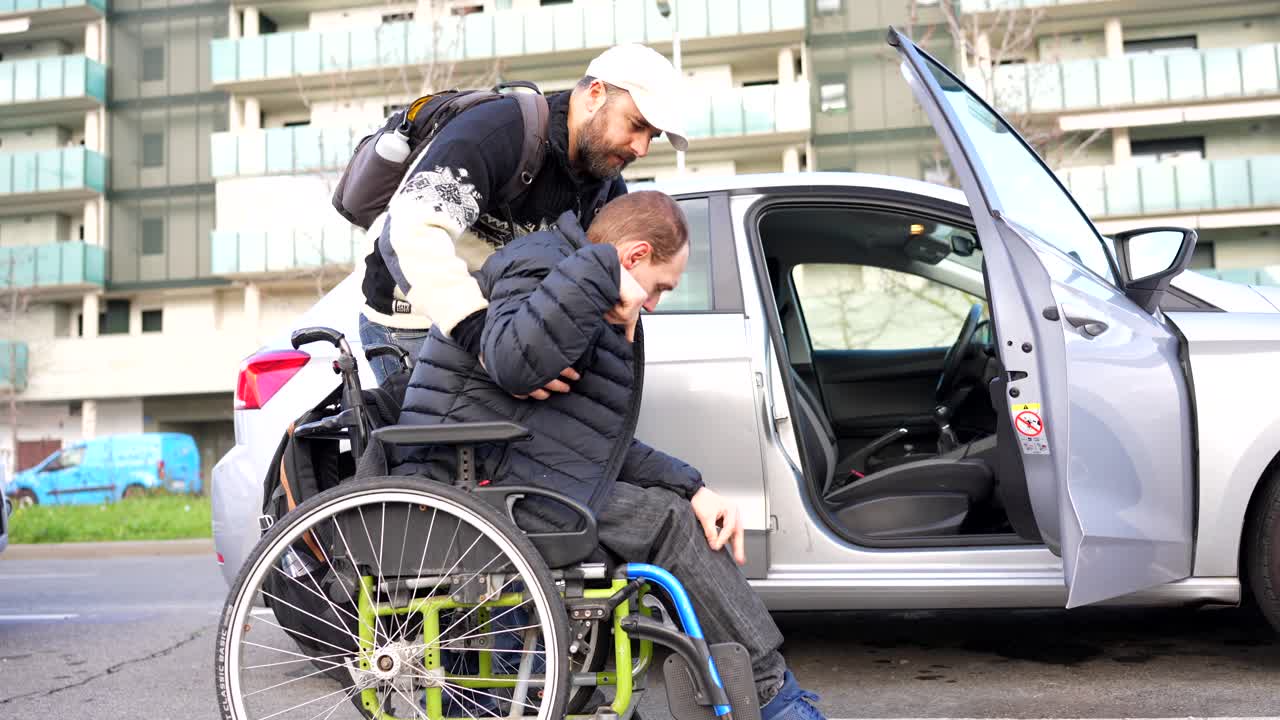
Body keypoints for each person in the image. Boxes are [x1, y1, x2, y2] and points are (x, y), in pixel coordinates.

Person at [392, 191, 826, 720]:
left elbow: (597, 446)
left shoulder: (578, 296)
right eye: (660, 287)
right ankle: (773, 698)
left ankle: (758, 692)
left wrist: (693, 486)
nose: (656, 303)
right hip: (467, 483)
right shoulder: (541, 265)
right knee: (667, 522)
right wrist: (602, 270)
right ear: (635, 257)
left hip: (512, 472)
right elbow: (513, 361)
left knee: (676, 507)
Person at [358, 43, 688, 386]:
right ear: (594, 94)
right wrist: (492, 346)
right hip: (414, 320)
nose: (642, 148)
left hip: (502, 324)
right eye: (636, 125)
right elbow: (412, 233)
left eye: (653, 136)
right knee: (446, 437)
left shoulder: (603, 181)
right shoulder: (498, 132)